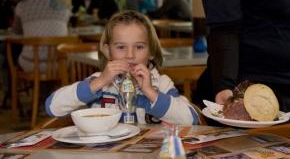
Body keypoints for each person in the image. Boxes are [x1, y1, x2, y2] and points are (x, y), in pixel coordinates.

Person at [45, 11, 199, 125]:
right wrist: (98, 83)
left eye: (139, 47)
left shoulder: (162, 83)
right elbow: (52, 107)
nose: (130, 55)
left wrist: (151, 92)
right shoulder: (99, 82)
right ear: (107, 51)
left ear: (151, 52)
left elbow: (191, 119)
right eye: (120, 47)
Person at [13, 0, 70, 72]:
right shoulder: (64, 8)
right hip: (59, 62)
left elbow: (17, 32)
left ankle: (35, 86)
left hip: (31, 63)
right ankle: (55, 86)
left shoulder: (22, 6)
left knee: (14, 53)